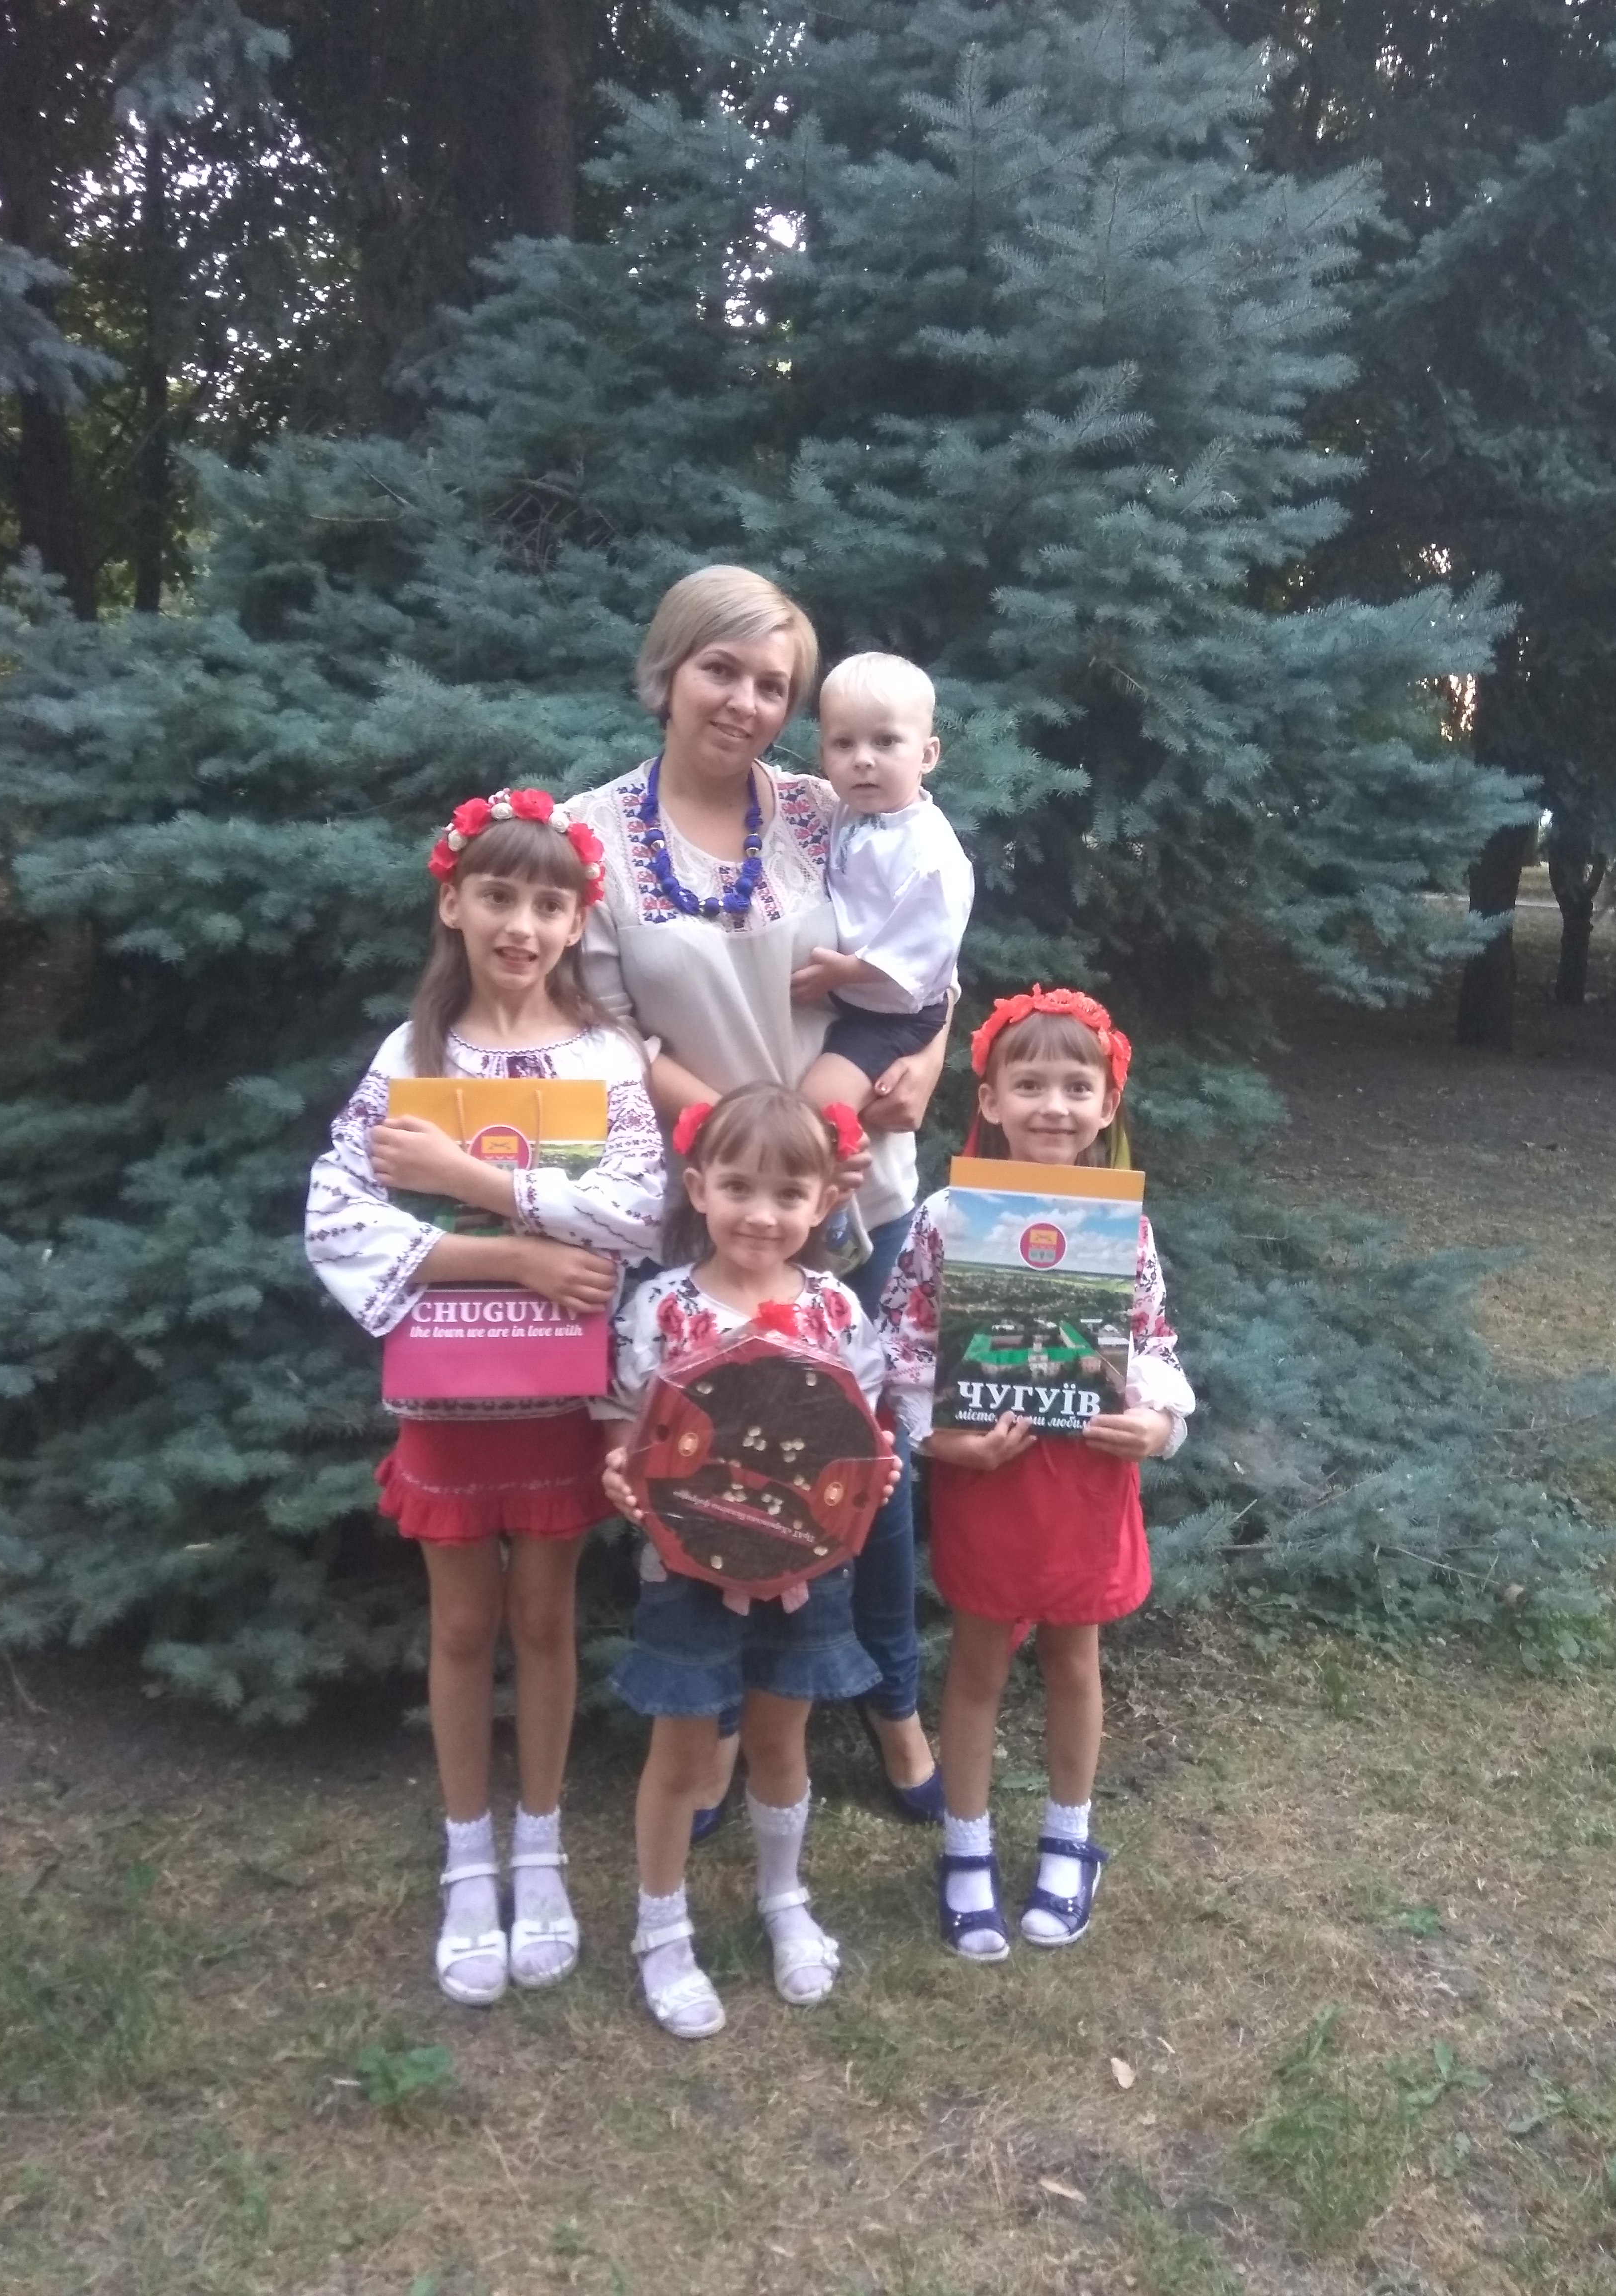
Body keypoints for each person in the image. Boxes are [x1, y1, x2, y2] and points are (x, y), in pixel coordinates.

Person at [568, 568, 944, 1821]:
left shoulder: (827, 804)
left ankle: (893, 1705)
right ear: (667, 670)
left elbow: (922, 950)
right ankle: (717, 1726)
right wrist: (754, 1146)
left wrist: (925, 1059)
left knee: (868, 1460)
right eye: (720, 670)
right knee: (712, 1461)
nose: (745, 701)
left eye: (772, 684)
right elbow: (602, 1035)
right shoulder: (592, 835)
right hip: (710, 1208)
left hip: (856, 1195)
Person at [305, 788, 664, 2006]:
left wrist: (475, 1181)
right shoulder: (410, 1059)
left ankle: (543, 1846)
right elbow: (337, 1214)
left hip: (559, 1397)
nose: (523, 924)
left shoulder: (605, 1059)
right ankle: (470, 1856)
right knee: (462, 1626)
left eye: (549, 904)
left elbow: (637, 1213)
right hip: (450, 1394)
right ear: (452, 904)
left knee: (546, 1620)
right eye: (499, 896)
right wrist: (508, 1256)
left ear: (577, 923)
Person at [877, 986, 1196, 1960]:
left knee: (1073, 1659)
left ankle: (1069, 1839)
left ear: (1107, 1105)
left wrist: (1157, 1423)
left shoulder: (1123, 1228)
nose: (1052, 1104)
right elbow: (901, 1343)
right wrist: (940, 1440)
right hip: (989, 1472)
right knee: (977, 1663)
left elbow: (1153, 1343)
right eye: (1029, 1085)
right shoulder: (946, 1218)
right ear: (991, 1099)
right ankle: (966, 1848)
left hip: (1087, 1479)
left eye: (1075, 1086)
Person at [601, 1084, 896, 2039]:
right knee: (683, 1752)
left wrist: (874, 1479)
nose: (760, 1214)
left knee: (779, 1738)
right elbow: (625, 1429)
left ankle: (783, 1897)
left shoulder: (836, 1308)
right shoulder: (662, 1308)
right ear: (698, 1187)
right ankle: (660, 1928)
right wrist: (622, 1475)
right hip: (685, 1572)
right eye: (737, 1187)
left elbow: (861, 1439)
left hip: (806, 1571)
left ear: (823, 1202)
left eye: (787, 1193)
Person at [795, 651, 973, 1122]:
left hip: (892, 1014)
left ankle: (837, 1162)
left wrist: (846, 971)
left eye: (886, 741)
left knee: (817, 1104)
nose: (863, 761)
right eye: (843, 744)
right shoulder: (846, 809)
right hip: (853, 999)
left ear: (927, 755)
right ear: (824, 755)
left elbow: (927, 945)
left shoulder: (930, 854)